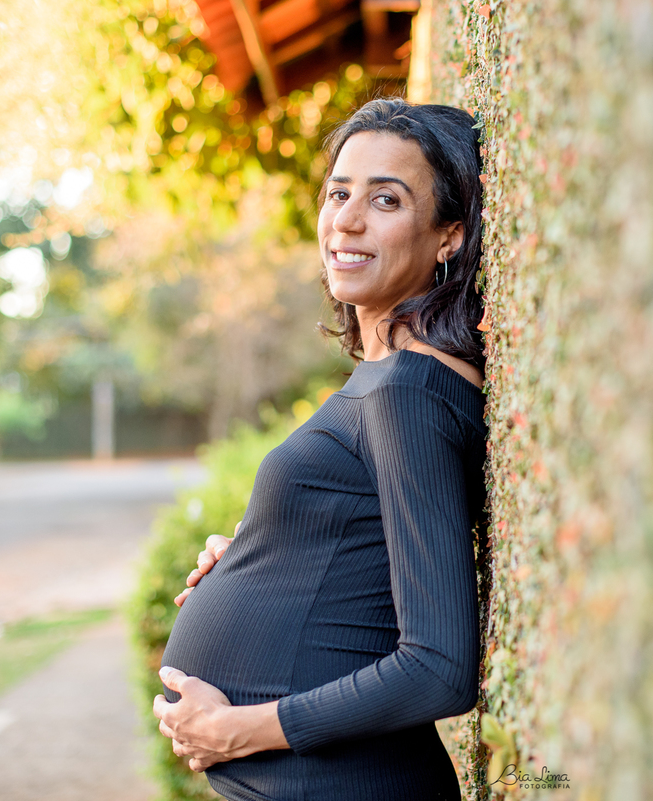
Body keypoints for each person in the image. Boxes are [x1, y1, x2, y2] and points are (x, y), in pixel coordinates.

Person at [153, 98, 488, 801]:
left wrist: (243, 729)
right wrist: (269, 550)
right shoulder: (389, 379)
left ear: (449, 236)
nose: (348, 220)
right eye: (339, 194)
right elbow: (377, 556)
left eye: (386, 200)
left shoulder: (408, 392)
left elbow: (439, 667)